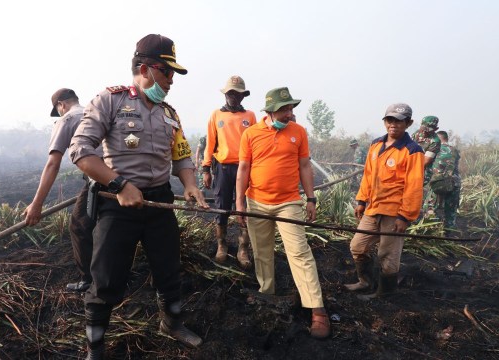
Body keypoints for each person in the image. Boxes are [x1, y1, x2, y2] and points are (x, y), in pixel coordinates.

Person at [68, 34, 208, 357]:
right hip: (117, 204)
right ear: (145, 68)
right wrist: (118, 185)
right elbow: (80, 151)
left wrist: (190, 184)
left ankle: (171, 323)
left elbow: (182, 157)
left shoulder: (170, 113)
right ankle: (95, 346)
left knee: (169, 268)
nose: (171, 81)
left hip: (159, 203)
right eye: (167, 72)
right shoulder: (111, 101)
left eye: (173, 75)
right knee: (104, 278)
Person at [236, 87, 331, 339]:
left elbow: (304, 166)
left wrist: (310, 198)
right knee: (262, 251)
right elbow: (244, 168)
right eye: (284, 109)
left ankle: (316, 308)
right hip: (256, 201)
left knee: (299, 252)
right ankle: (267, 294)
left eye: (291, 108)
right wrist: (239, 203)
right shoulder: (251, 133)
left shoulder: (298, 132)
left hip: (289, 202)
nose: (290, 113)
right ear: (270, 110)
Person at [23, 88, 101, 293]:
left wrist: (37, 204)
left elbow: (52, 164)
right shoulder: (94, 112)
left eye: (58, 110)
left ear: (61, 105)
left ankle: (88, 280)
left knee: (79, 225)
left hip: (100, 180)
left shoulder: (66, 120)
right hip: (120, 177)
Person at [344, 103, 424, 300]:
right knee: (357, 246)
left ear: (408, 123)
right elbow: (368, 176)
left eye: (399, 121)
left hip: (395, 212)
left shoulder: (413, 151)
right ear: (385, 121)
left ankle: (385, 293)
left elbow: (414, 186)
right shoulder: (376, 145)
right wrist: (362, 200)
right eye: (390, 120)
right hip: (373, 207)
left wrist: (405, 217)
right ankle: (365, 281)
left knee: (388, 254)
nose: (393, 125)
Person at [201, 75, 257, 269]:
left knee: (245, 208)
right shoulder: (217, 115)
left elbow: (255, 143)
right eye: (231, 93)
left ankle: (243, 248)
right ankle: (221, 244)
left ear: (243, 96)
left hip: (245, 168)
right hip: (223, 169)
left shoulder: (249, 116)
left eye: (238, 94)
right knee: (221, 206)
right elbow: (210, 143)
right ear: (226, 94)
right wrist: (206, 168)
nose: (234, 97)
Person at [432, 130, 461, 231]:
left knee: (432, 208)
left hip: (437, 183)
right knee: (451, 210)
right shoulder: (454, 150)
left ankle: (432, 230)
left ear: (438, 138)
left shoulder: (434, 148)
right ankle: (449, 232)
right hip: (454, 183)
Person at [412, 116, 441, 216]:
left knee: (413, 192)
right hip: (408, 166)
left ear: (436, 129)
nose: (424, 132)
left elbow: (426, 161)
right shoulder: (417, 133)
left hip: (422, 171)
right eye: (423, 128)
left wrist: (409, 168)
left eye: (428, 130)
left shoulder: (435, 141)